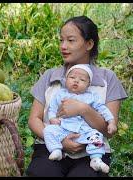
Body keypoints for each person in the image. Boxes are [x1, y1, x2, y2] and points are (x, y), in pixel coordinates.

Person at [25, 16, 128, 177]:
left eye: (71, 40)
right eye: (61, 40)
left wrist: (83, 109)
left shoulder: (108, 79)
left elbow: (109, 131)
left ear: (89, 44)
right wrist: (60, 141)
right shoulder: (50, 76)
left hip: (92, 152)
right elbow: (34, 119)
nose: (63, 46)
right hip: (50, 148)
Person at [44, 64, 117, 173]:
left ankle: (96, 159)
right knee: (48, 130)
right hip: (64, 129)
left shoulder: (92, 96)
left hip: (84, 130)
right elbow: (52, 108)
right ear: (66, 80)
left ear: (88, 85)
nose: (76, 81)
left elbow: (103, 109)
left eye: (82, 80)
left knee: (96, 136)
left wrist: (111, 122)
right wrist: (52, 118)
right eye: (72, 78)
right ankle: (56, 149)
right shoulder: (60, 94)